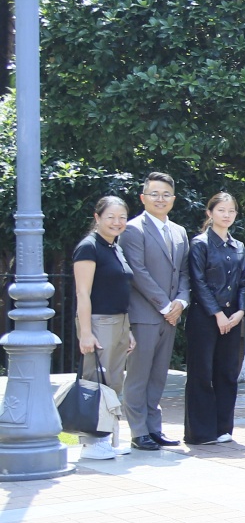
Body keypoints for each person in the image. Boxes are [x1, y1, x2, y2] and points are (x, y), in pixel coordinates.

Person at [120, 172, 190, 450]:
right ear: (143, 197)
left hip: (171, 316)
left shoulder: (179, 231)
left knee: (159, 375)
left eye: (165, 194)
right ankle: (138, 431)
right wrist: (165, 305)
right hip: (145, 315)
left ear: (173, 198)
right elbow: (138, 272)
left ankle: (154, 428)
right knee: (138, 376)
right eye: (154, 194)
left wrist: (181, 302)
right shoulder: (133, 229)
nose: (160, 199)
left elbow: (184, 272)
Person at [184, 193, 245, 449]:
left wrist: (240, 311)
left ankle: (223, 428)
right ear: (209, 213)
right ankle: (200, 432)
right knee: (201, 373)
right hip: (205, 317)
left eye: (231, 211)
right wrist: (217, 314)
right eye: (221, 210)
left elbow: (244, 282)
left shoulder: (238, 246)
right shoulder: (200, 244)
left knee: (227, 373)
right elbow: (198, 282)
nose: (227, 215)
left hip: (232, 319)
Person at [71, 196, 136, 458]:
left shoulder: (115, 247)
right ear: (97, 218)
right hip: (99, 323)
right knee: (96, 382)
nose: (117, 222)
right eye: (110, 217)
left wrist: (127, 330)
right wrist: (86, 333)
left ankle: (106, 439)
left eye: (122, 217)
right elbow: (82, 293)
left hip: (120, 322)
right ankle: (91, 442)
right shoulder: (89, 247)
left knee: (113, 383)